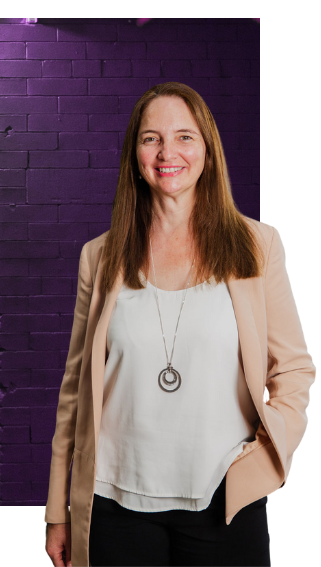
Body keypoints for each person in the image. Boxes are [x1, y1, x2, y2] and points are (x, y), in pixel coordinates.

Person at [43, 82, 315, 566]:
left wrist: (267, 454)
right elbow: (74, 394)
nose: (168, 152)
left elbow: (292, 370)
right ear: (135, 155)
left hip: (225, 499)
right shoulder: (100, 258)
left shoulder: (257, 245)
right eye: (151, 138)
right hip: (115, 503)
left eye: (184, 137)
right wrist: (57, 511)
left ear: (207, 149)